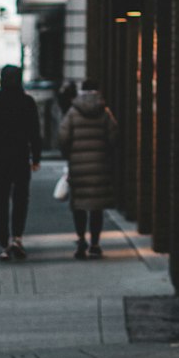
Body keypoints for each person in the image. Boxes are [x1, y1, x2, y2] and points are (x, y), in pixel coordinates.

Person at [0, 64, 41, 262]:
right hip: (20, 157)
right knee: (21, 198)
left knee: (0, 199)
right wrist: (36, 157)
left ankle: (3, 242)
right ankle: (17, 237)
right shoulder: (27, 102)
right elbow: (34, 132)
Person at [58, 79, 118, 260]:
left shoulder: (73, 112)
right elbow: (114, 136)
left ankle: (81, 238)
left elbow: (63, 136)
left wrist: (69, 155)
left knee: (79, 205)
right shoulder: (105, 111)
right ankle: (95, 244)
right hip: (99, 165)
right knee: (96, 207)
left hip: (78, 166)